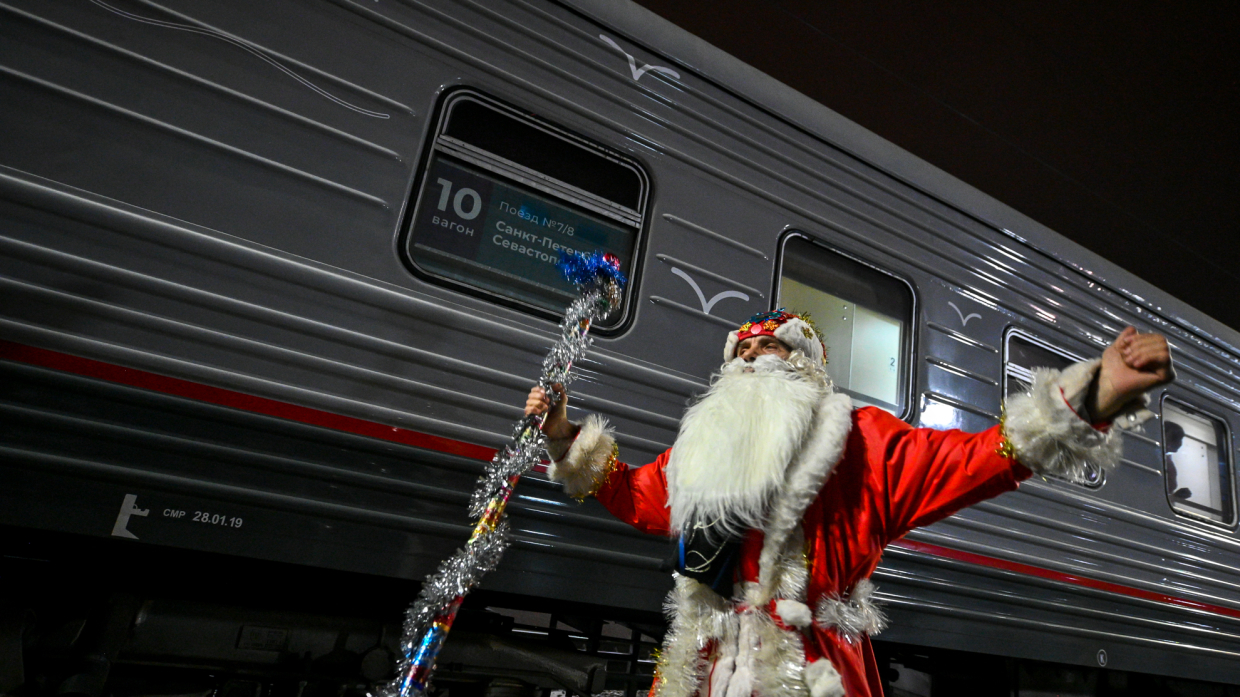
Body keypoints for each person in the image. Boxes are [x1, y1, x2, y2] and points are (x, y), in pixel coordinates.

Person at [524, 310, 1173, 697]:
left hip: (814, 670)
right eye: (741, 353)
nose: (750, 361)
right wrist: (561, 435)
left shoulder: (858, 443)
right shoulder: (704, 452)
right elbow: (638, 495)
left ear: (803, 365)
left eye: (767, 347)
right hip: (708, 665)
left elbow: (979, 458)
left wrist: (1089, 395)